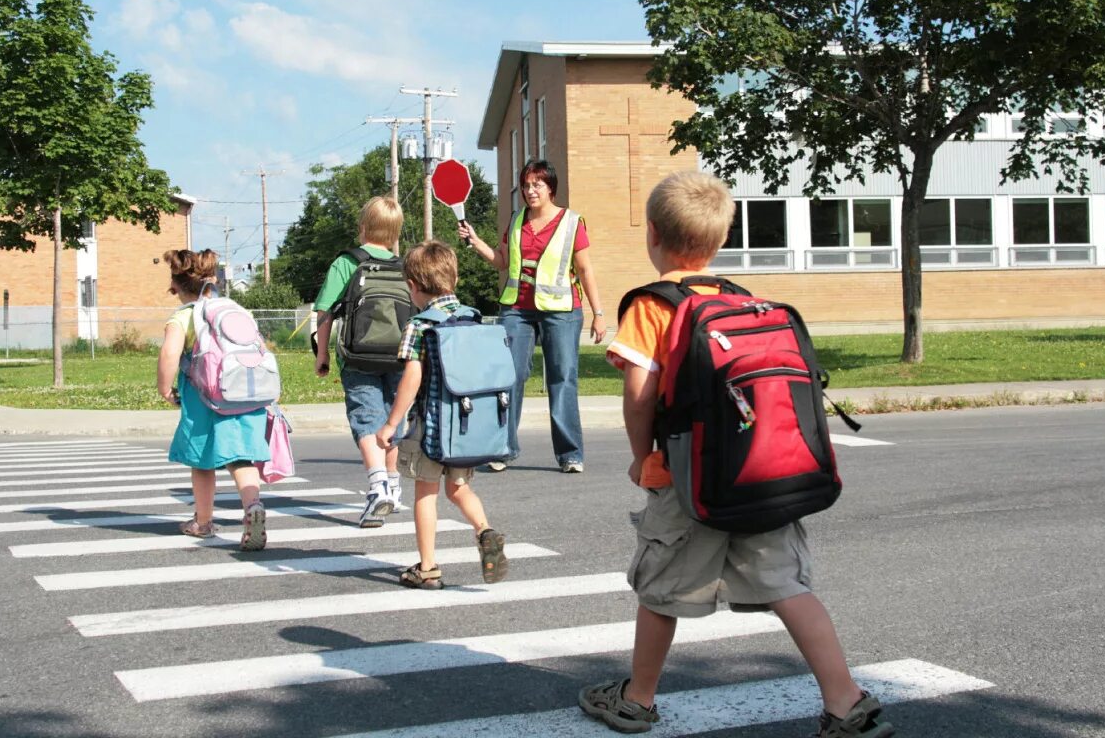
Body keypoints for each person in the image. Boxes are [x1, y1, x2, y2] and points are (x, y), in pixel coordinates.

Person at [578, 172, 894, 737]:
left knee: (661, 591)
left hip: (685, 478)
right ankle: (846, 701)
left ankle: (637, 698)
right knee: (789, 587)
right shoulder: (742, 302)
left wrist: (639, 455)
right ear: (720, 242)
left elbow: (638, 395)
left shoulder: (652, 307)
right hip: (758, 472)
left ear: (651, 233)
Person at [374, 240, 508, 590]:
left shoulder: (420, 325)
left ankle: (428, 567)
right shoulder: (472, 318)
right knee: (459, 487)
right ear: (455, 278)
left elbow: (412, 377)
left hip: (430, 427)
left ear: (413, 286)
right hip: (465, 424)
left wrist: (392, 422)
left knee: (426, 493)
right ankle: (484, 530)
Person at [458, 159, 605, 474]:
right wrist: (475, 241)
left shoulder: (571, 222)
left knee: (562, 378)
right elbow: (501, 263)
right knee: (509, 377)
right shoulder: (515, 221)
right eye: (526, 185)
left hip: (562, 310)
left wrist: (599, 313)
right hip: (517, 309)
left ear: (550, 187)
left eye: (537, 184)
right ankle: (503, 449)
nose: (530, 190)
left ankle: (570, 455)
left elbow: (585, 269)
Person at [157, 249, 269, 551]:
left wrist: (165, 388)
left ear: (176, 286)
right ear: (213, 280)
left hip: (203, 397)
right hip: (243, 394)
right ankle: (252, 506)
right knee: (241, 458)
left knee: (202, 461)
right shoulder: (233, 308)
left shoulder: (183, 316)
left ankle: (203, 522)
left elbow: (169, 353)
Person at [311, 196, 407, 528]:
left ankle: (378, 484)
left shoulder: (347, 263)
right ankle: (393, 486)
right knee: (393, 420)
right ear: (395, 234)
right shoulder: (404, 266)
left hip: (357, 356)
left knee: (366, 418)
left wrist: (322, 355)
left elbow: (324, 312)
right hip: (399, 357)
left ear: (362, 227)